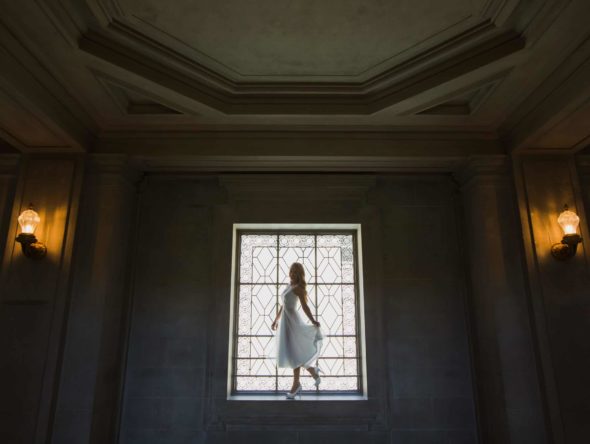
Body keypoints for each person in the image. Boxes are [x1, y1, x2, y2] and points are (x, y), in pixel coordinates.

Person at [271, 262, 323, 399]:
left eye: (295, 272)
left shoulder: (298, 289)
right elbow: (283, 306)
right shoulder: (289, 286)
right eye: (291, 271)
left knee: (294, 353)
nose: (292, 273)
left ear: (299, 274)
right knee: (293, 353)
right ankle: (312, 372)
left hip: (293, 322)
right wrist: (276, 320)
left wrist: (313, 320)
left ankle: (296, 384)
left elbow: (305, 307)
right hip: (285, 323)